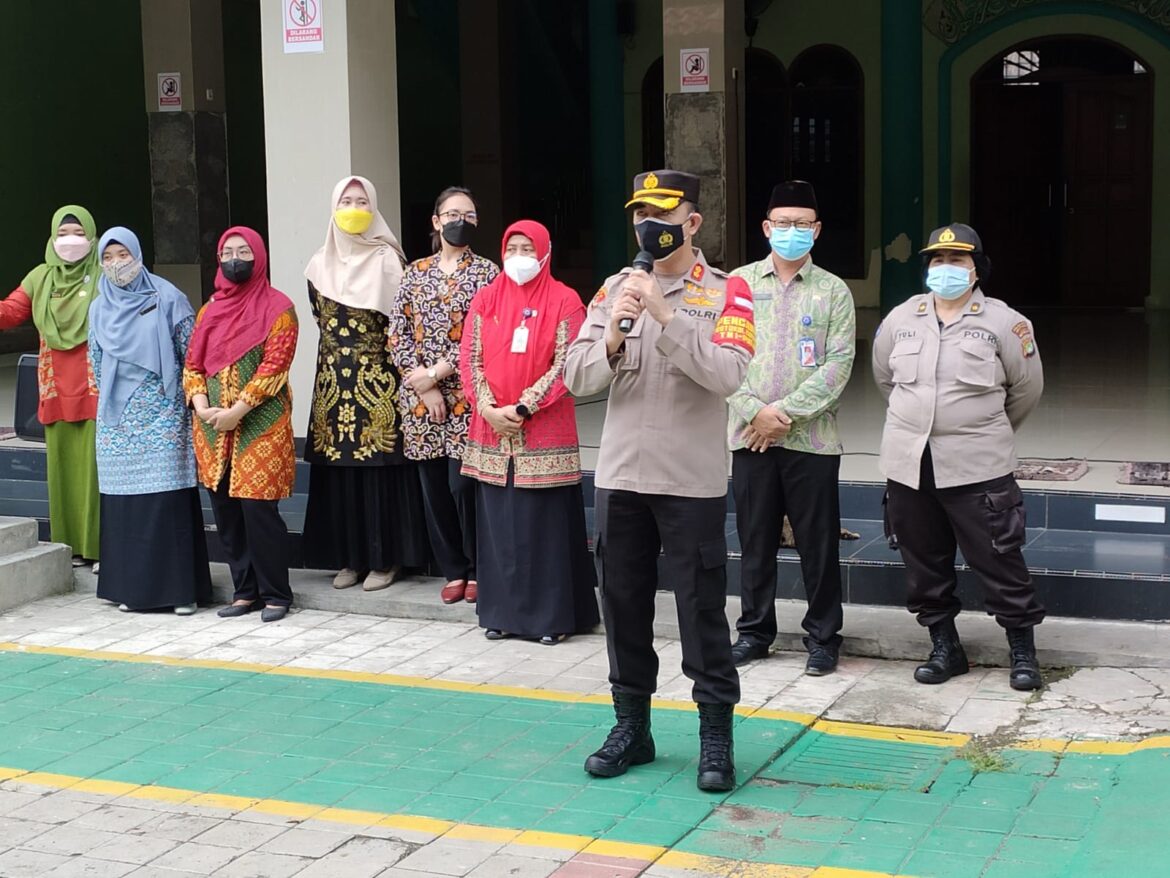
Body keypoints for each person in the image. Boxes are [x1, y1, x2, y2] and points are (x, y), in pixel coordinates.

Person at [565, 170, 755, 792]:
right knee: (621, 605)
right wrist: (616, 334)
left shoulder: (732, 294)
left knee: (701, 609)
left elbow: (728, 375)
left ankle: (715, 737)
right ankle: (632, 728)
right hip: (622, 475)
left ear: (692, 223)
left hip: (690, 481)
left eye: (663, 214)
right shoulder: (612, 289)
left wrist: (664, 314)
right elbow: (576, 378)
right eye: (640, 213)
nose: (650, 226)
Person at [873, 223, 1045, 691]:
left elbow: (1026, 390)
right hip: (910, 462)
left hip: (978, 463)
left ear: (977, 269)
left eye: (957, 261)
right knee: (923, 561)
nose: (945, 269)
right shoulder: (900, 318)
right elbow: (885, 380)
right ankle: (945, 647)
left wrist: (980, 427)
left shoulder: (1005, 323)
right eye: (937, 261)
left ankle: (1023, 652)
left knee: (999, 559)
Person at [726, 181, 856, 675]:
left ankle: (823, 637)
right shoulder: (737, 284)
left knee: (817, 543)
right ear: (766, 227)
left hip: (812, 441)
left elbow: (839, 364)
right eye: (783, 223)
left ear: (817, 231)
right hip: (749, 435)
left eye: (802, 224)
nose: (792, 232)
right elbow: (720, 357)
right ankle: (755, 632)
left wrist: (781, 416)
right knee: (755, 540)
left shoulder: (834, 291)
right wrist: (753, 411)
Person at [459, 219, 598, 645]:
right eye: (512, 247)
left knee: (545, 527)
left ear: (545, 252)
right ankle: (501, 614)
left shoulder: (565, 300)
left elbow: (567, 363)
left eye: (528, 248)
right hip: (491, 432)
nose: (520, 256)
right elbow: (470, 357)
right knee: (499, 526)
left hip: (543, 430)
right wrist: (487, 407)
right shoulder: (486, 299)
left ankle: (552, 618)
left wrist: (523, 406)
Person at [302, 175, 430, 592]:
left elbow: (405, 325)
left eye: (362, 201)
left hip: (379, 382)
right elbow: (321, 320)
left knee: (379, 470)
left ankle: (384, 559)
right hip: (332, 385)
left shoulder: (388, 261)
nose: (354, 208)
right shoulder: (318, 264)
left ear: (373, 208)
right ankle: (349, 558)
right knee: (339, 472)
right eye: (346, 200)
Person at [88, 227, 212, 614]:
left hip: (163, 412)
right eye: (107, 258)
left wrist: (186, 405)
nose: (114, 265)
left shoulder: (168, 298)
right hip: (117, 420)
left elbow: (191, 355)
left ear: (137, 254)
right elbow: (95, 360)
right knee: (126, 507)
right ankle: (133, 591)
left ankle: (180, 592)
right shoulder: (98, 308)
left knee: (166, 502)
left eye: (122, 255)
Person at [183, 226, 298, 623]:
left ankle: (277, 594)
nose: (235, 259)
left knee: (258, 510)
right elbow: (193, 364)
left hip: (260, 423)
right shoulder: (209, 310)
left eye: (243, 251)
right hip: (213, 427)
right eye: (227, 251)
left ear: (259, 257)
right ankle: (244, 591)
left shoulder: (279, 309)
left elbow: (274, 368)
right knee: (226, 510)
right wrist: (201, 405)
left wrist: (237, 411)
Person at [392, 186, 498, 605]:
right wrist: (423, 382)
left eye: (469, 215)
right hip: (419, 398)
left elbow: (484, 333)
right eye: (453, 213)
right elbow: (398, 332)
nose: (461, 221)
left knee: (462, 485)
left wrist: (439, 374)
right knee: (432, 486)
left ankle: (477, 566)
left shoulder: (488, 274)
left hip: (466, 396)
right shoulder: (414, 272)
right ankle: (453, 569)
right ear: (436, 221)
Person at [0, 205, 101, 567]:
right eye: (62, 234)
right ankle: (69, 546)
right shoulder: (40, 277)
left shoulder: (104, 273)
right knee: (61, 470)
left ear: (91, 236)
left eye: (77, 233)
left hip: (95, 389)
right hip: (55, 388)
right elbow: (11, 311)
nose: (69, 241)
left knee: (96, 471)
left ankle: (101, 546)